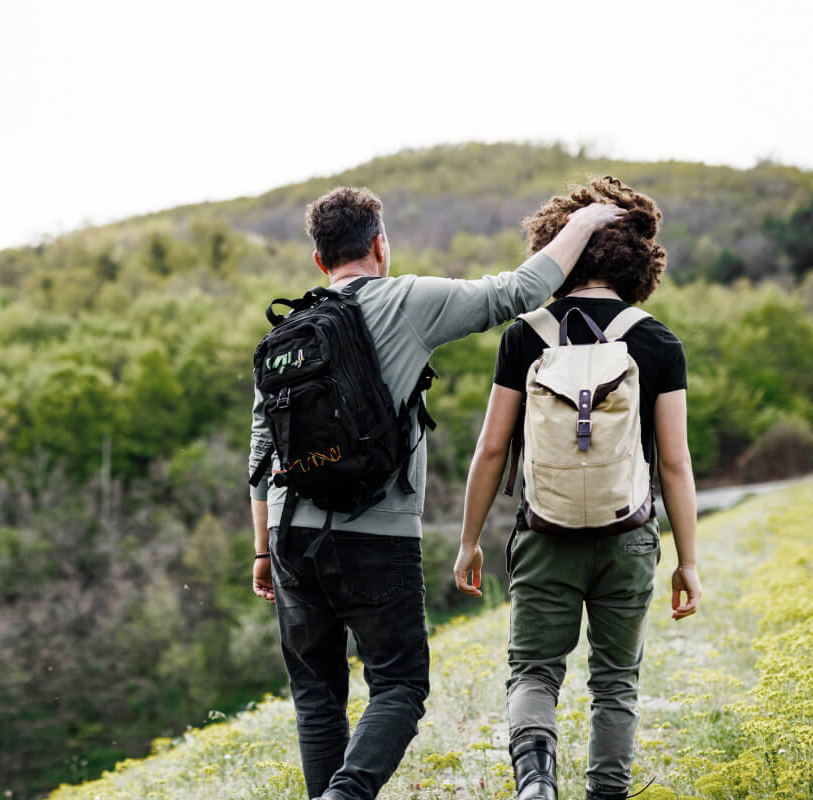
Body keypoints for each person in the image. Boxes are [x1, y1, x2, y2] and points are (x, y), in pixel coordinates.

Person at [248, 185, 625, 800]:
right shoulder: (408, 300)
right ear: (379, 244)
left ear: (319, 260)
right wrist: (584, 221)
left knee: (317, 701)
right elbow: (519, 292)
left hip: (290, 537)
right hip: (376, 534)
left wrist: (263, 551)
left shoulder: (288, 332)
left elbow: (261, 453)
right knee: (399, 687)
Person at [451, 176, 702, 800]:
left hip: (544, 533)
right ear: (639, 261)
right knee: (615, 681)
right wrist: (687, 561)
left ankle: (536, 781)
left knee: (534, 671)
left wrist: (470, 541)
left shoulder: (525, 335)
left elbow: (490, 449)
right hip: (628, 535)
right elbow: (674, 463)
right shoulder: (657, 340)